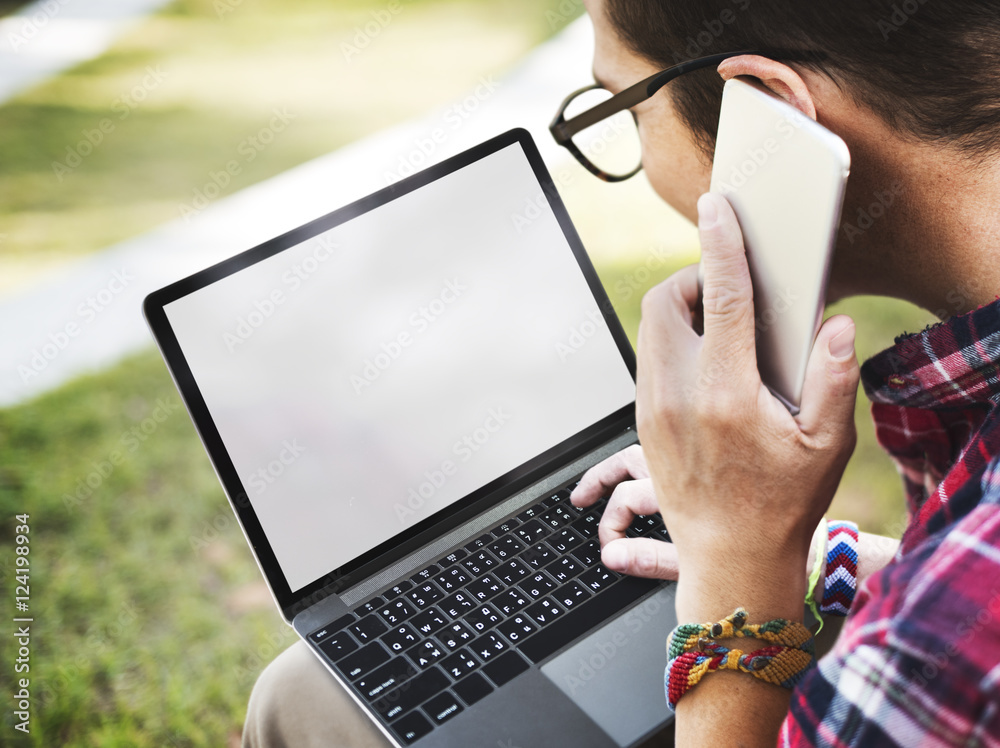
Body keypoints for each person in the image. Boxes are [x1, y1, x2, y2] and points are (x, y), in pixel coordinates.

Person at [244, 0, 1000, 745]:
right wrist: (808, 558)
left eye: (625, 110)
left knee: (295, 701)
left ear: (773, 120)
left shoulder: (950, 639)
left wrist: (736, 577)